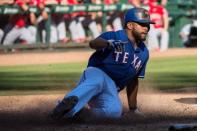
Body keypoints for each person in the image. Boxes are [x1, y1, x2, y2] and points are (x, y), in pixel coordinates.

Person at [51, 7, 154, 121]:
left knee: (114, 112)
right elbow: (93, 43)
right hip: (97, 73)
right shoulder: (115, 36)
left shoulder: (144, 53)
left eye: (148, 25)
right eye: (142, 24)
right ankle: (63, 107)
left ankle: (80, 114)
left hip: (112, 89)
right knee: (96, 82)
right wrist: (107, 43)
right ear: (130, 25)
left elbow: (133, 80)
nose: (146, 28)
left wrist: (133, 109)